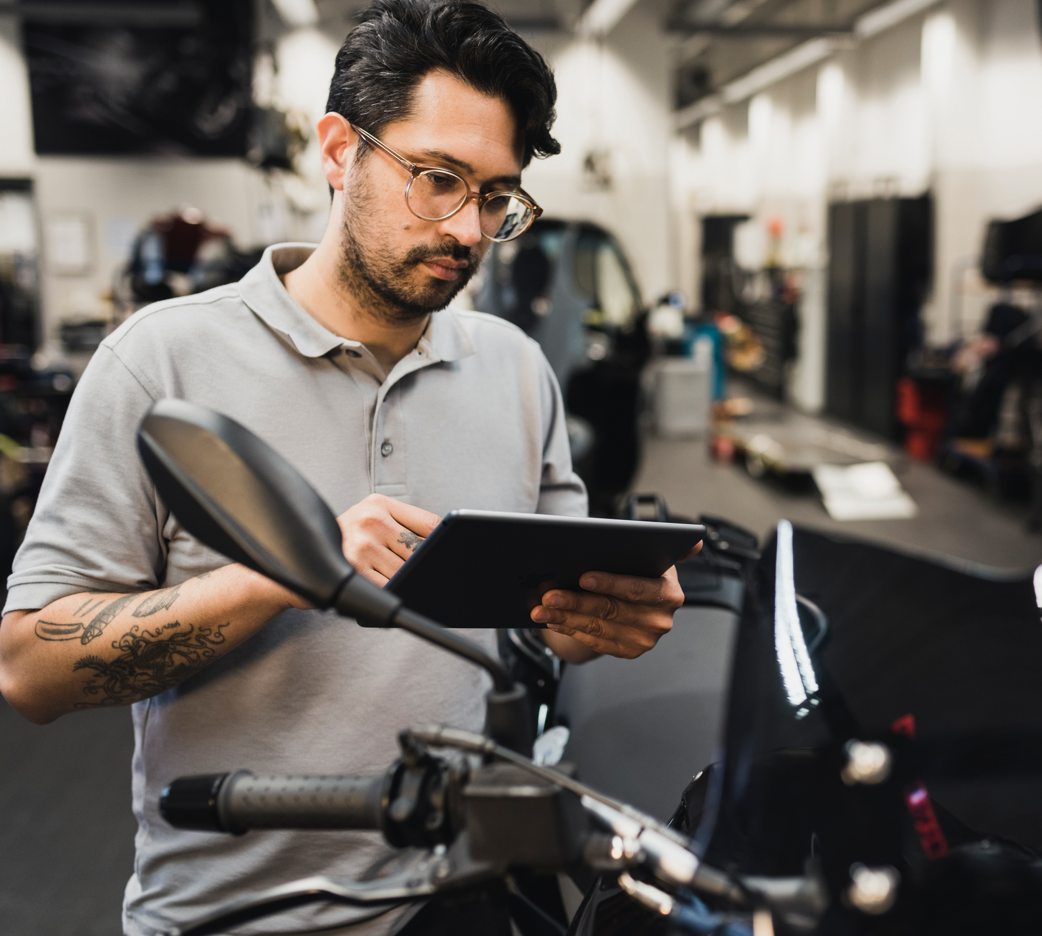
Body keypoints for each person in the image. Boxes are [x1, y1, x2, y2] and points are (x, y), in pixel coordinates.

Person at [0, 2, 694, 934]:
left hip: (457, 893)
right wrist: (289, 575)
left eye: (496, 197)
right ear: (338, 151)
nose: (467, 230)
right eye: (438, 179)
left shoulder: (515, 369)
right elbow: (31, 671)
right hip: (240, 909)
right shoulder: (161, 363)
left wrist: (608, 616)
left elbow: (550, 622)